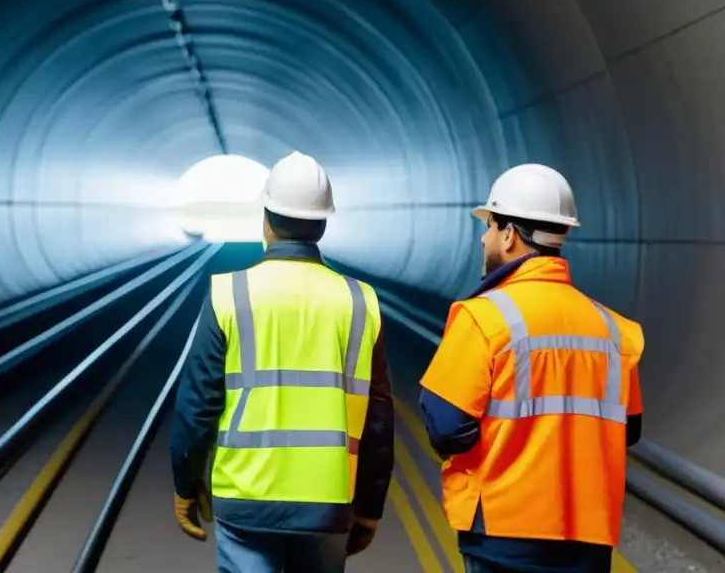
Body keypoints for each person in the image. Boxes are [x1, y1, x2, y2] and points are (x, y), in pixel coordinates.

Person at [169, 151, 395, 573]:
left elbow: (197, 404)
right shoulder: (360, 302)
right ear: (322, 225)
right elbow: (379, 417)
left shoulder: (228, 293)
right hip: (328, 502)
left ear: (266, 220)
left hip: (245, 499)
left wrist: (185, 482)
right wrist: (370, 505)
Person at [419, 163, 645, 573]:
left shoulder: (483, 318)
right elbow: (629, 429)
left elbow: (446, 425)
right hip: (587, 535)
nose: (484, 237)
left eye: (488, 226)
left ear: (508, 234)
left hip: (503, 531)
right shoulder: (614, 330)